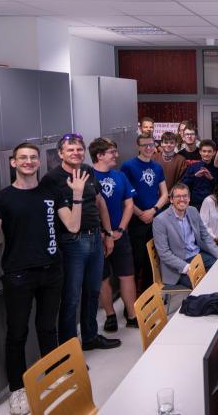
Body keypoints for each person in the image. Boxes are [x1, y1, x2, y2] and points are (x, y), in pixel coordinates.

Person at [0, 143, 86, 415]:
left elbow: (73, 226)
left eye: (33, 157)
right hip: (18, 275)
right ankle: (17, 390)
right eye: (23, 158)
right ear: (13, 163)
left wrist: (77, 195)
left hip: (52, 271)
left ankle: (53, 375)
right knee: (17, 334)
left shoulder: (51, 192)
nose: (29, 161)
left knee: (47, 328)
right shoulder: (2, 199)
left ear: (39, 162)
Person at [40, 133, 120, 350]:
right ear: (60, 154)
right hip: (71, 243)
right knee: (71, 297)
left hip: (95, 238)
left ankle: (90, 337)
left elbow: (99, 202)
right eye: (70, 150)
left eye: (79, 149)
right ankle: (70, 350)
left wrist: (108, 233)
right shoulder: (52, 179)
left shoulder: (87, 171)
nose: (75, 153)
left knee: (93, 291)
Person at [89, 137, 138, 333]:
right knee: (103, 278)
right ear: (99, 155)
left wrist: (121, 230)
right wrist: (104, 233)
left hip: (120, 234)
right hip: (98, 238)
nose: (116, 155)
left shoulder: (120, 176)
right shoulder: (88, 177)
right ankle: (110, 315)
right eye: (112, 152)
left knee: (127, 275)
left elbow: (129, 205)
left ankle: (132, 315)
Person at [121, 133, 169, 293]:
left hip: (155, 219)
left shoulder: (157, 167)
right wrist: (141, 214)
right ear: (138, 147)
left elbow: (164, 194)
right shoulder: (128, 166)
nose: (148, 148)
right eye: (144, 145)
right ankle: (133, 299)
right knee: (137, 259)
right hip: (136, 220)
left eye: (151, 144)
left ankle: (149, 296)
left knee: (152, 260)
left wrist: (153, 211)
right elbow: (125, 195)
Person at [152, 183, 218, 288]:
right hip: (178, 264)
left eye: (185, 196)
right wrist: (186, 268)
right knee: (202, 285)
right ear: (171, 199)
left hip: (197, 255)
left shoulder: (193, 210)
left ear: (189, 198)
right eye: (178, 196)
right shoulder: (160, 220)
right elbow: (164, 253)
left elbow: (205, 237)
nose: (182, 199)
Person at [182, 139, 218, 211]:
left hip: (213, 204)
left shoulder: (217, 168)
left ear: (214, 152)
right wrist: (194, 176)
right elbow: (183, 185)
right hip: (194, 204)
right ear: (200, 152)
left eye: (209, 151)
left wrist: (211, 178)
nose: (206, 154)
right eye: (204, 151)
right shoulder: (192, 167)